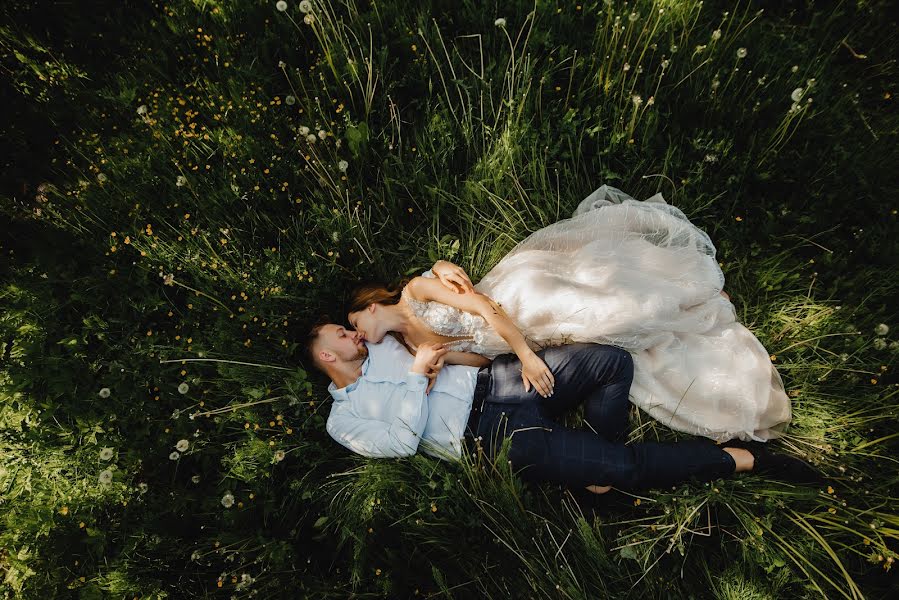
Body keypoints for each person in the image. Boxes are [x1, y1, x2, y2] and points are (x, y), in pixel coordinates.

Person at [347, 185, 792, 444]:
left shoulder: (415, 291)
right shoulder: (413, 348)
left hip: (518, 304)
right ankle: (697, 306)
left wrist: (525, 354)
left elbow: (485, 306)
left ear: (370, 308)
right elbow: (482, 359)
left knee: (612, 308)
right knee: (613, 329)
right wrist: (444, 363)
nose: (360, 337)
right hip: (516, 339)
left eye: (354, 326)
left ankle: (698, 295)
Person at [305, 321, 821, 494]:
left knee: (611, 363)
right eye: (342, 335)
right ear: (328, 356)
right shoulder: (343, 420)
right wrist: (418, 375)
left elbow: (400, 303)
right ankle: (745, 458)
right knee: (625, 469)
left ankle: (596, 461)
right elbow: (398, 442)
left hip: (500, 381)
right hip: (488, 441)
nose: (354, 334)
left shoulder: (380, 341)